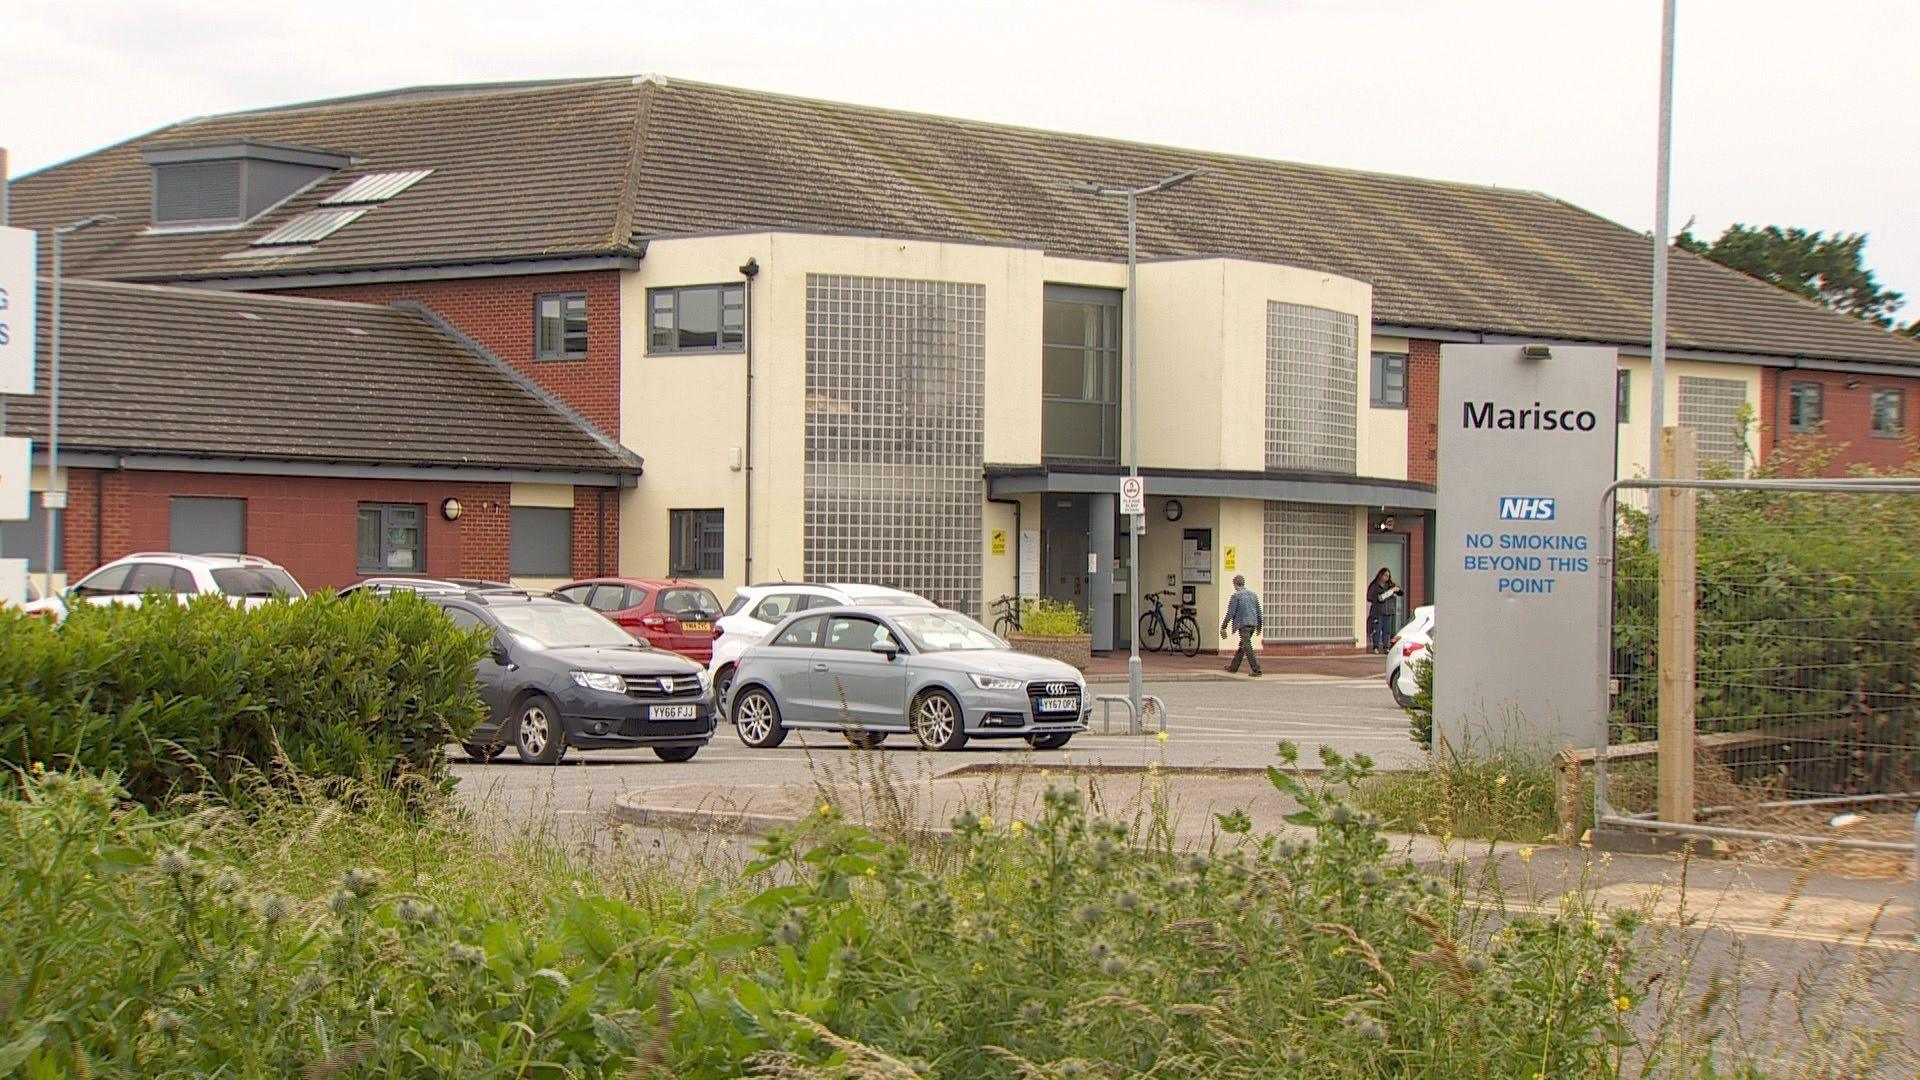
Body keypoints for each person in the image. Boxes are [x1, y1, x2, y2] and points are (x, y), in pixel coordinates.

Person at [1219, 574, 1263, 677]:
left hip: (1243, 624)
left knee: (1247, 647)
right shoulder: (1253, 595)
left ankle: (1256, 669)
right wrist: (1259, 626)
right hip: (1253, 623)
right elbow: (1259, 611)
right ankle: (1233, 667)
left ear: (1235, 584)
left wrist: (1224, 626)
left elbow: (1230, 613)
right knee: (1243, 645)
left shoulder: (1236, 596)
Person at [1366, 569, 1402, 654]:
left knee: (1387, 630)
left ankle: (1386, 647)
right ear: (1380, 575)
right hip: (1377, 611)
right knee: (1377, 630)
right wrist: (1379, 598)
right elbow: (1370, 597)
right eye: (1385, 575)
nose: (1386, 577)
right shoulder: (1375, 585)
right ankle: (1376, 647)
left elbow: (1400, 592)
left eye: (1388, 576)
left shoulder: (1390, 585)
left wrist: (1396, 589)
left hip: (1388, 611)